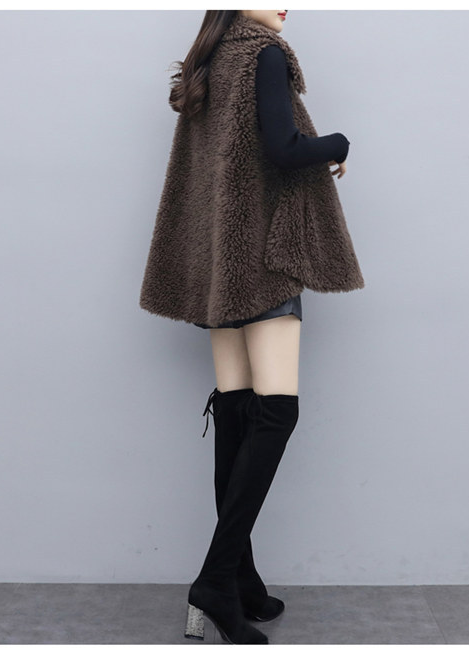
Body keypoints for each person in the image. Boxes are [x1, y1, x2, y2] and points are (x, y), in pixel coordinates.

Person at [139, 9, 365, 644]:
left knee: (236, 414)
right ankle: (215, 581)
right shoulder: (264, 53)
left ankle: (240, 579)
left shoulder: (208, 60)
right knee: (276, 412)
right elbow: (283, 149)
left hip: (220, 262)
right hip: (262, 260)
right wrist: (338, 143)